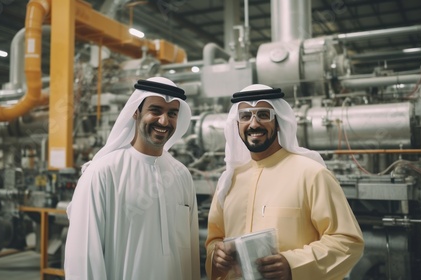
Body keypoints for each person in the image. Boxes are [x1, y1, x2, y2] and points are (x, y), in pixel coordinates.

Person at [205, 84, 364, 280]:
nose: (254, 124)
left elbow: (347, 241)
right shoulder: (228, 181)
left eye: (263, 115)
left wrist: (293, 265)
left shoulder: (311, 174)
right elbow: (215, 240)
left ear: (279, 121)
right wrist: (216, 256)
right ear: (236, 124)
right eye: (245, 116)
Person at [64, 77, 201, 280]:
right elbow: (83, 259)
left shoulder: (181, 175)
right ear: (136, 112)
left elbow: (190, 253)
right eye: (155, 111)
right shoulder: (102, 173)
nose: (164, 121)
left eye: (172, 114)